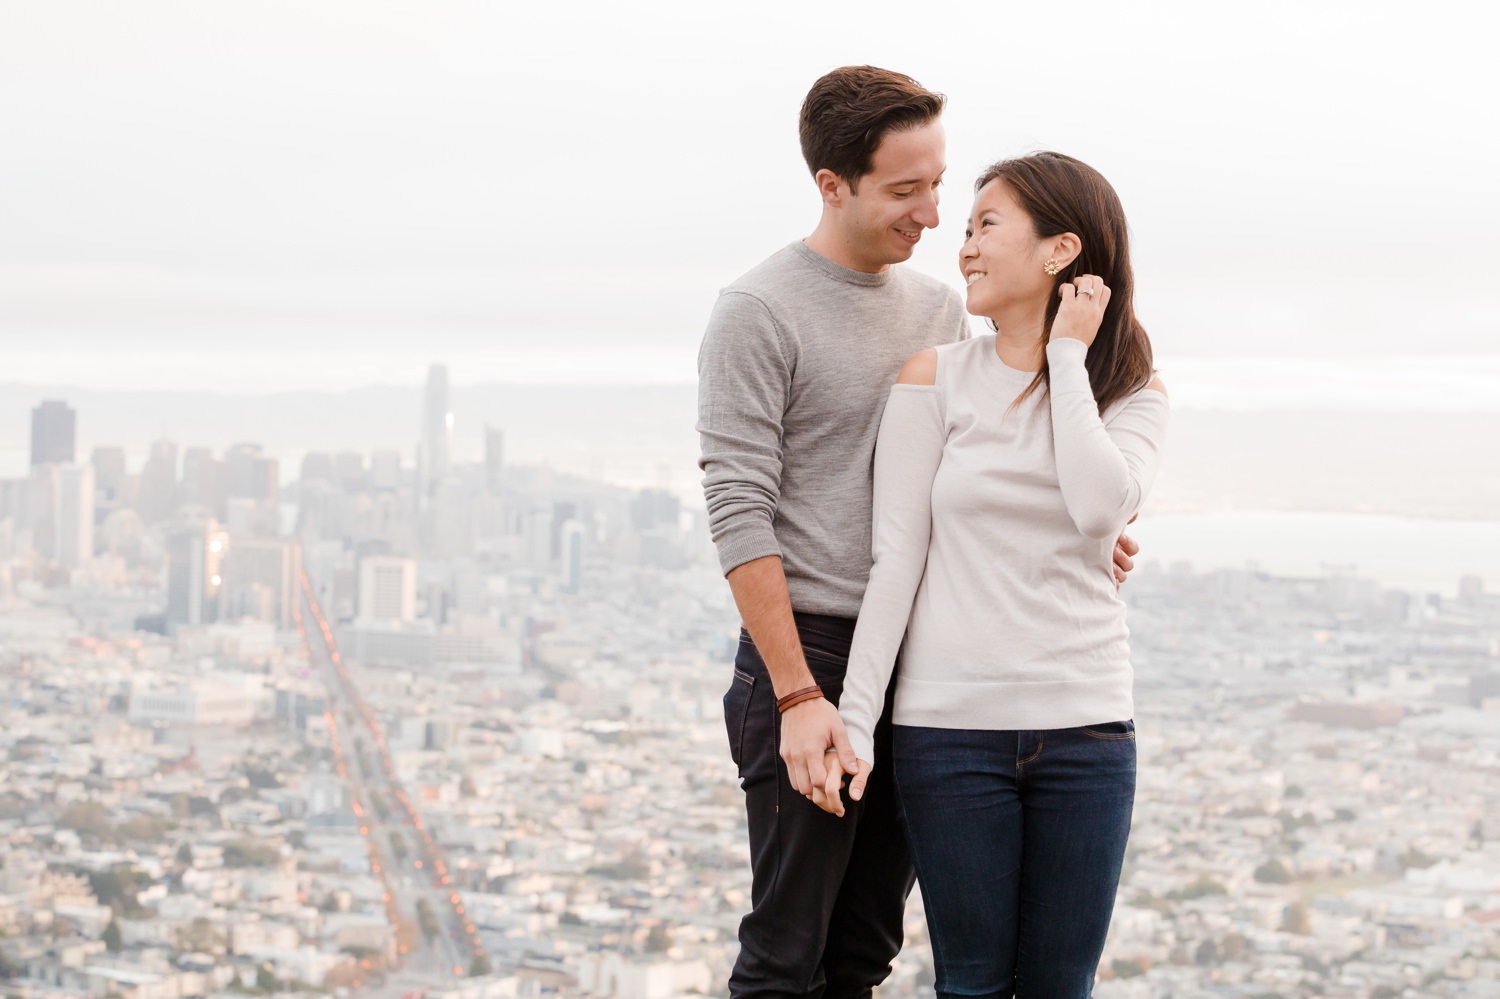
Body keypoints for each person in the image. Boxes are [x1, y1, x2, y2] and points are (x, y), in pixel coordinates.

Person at [698, 66, 1140, 999]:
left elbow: (981, 474)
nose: (935, 215)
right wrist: (796, 694)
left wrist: (1079, 541)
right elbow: (739, 508)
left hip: (918, 663)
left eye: (940, 184)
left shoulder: (942, 310)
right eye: (908, 190)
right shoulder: (759, 310)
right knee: (787, 954)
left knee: (864, 950)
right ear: (833, 183)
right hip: (811, 649)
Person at [829, 151, 1169, 998]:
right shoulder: (935, 377)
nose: (964, 246)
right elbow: (896, 559)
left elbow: (1100, 509)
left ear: (1060, 250)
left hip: (1087, 727)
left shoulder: (1131, 389)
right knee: (971, 985)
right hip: (947, 732)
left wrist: (1063, 361)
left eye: (986, 224)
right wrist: (858, 719)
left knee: (1061, 986)